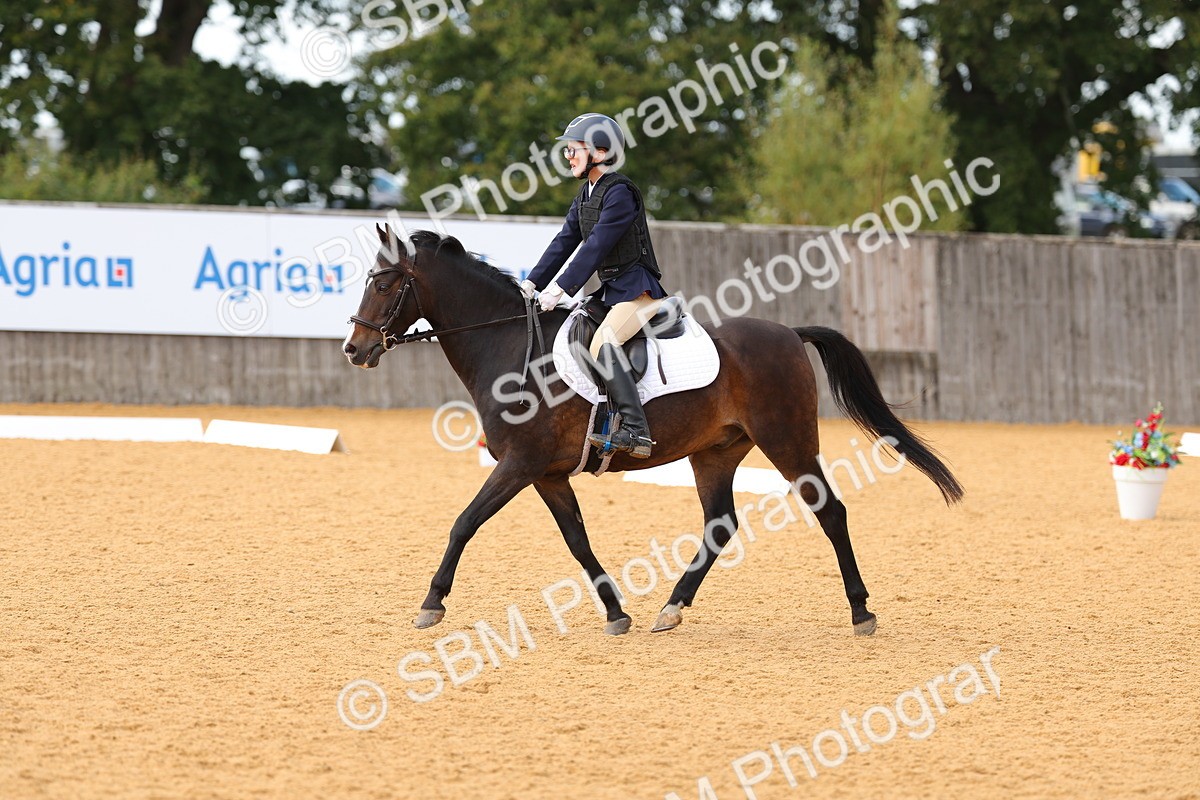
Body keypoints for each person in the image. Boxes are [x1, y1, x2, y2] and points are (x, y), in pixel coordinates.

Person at [522, 113, 666, 459]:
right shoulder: (586, 195)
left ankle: (636, 431)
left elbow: (596, 245)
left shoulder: (620, 193)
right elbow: (565, 240)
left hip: (637, 292)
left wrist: (561, 288)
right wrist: (531, 282)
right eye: (567, 151)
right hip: (611, 292)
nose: (568, 157)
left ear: (600, 153)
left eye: (574, 150)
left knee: (604, 343)